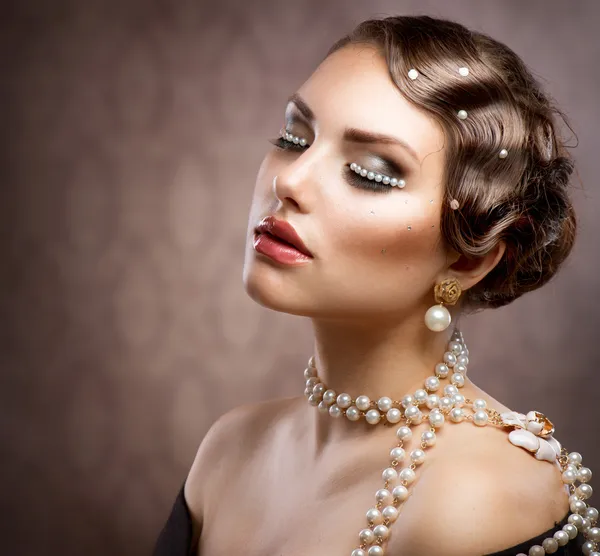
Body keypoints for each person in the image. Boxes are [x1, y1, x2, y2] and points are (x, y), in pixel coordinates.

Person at [153, 15, 596, 556]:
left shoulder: (478, 498)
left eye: (370, 173)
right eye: (294, 137)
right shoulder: (228, 447)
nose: (287, 181)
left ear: (467, 261)